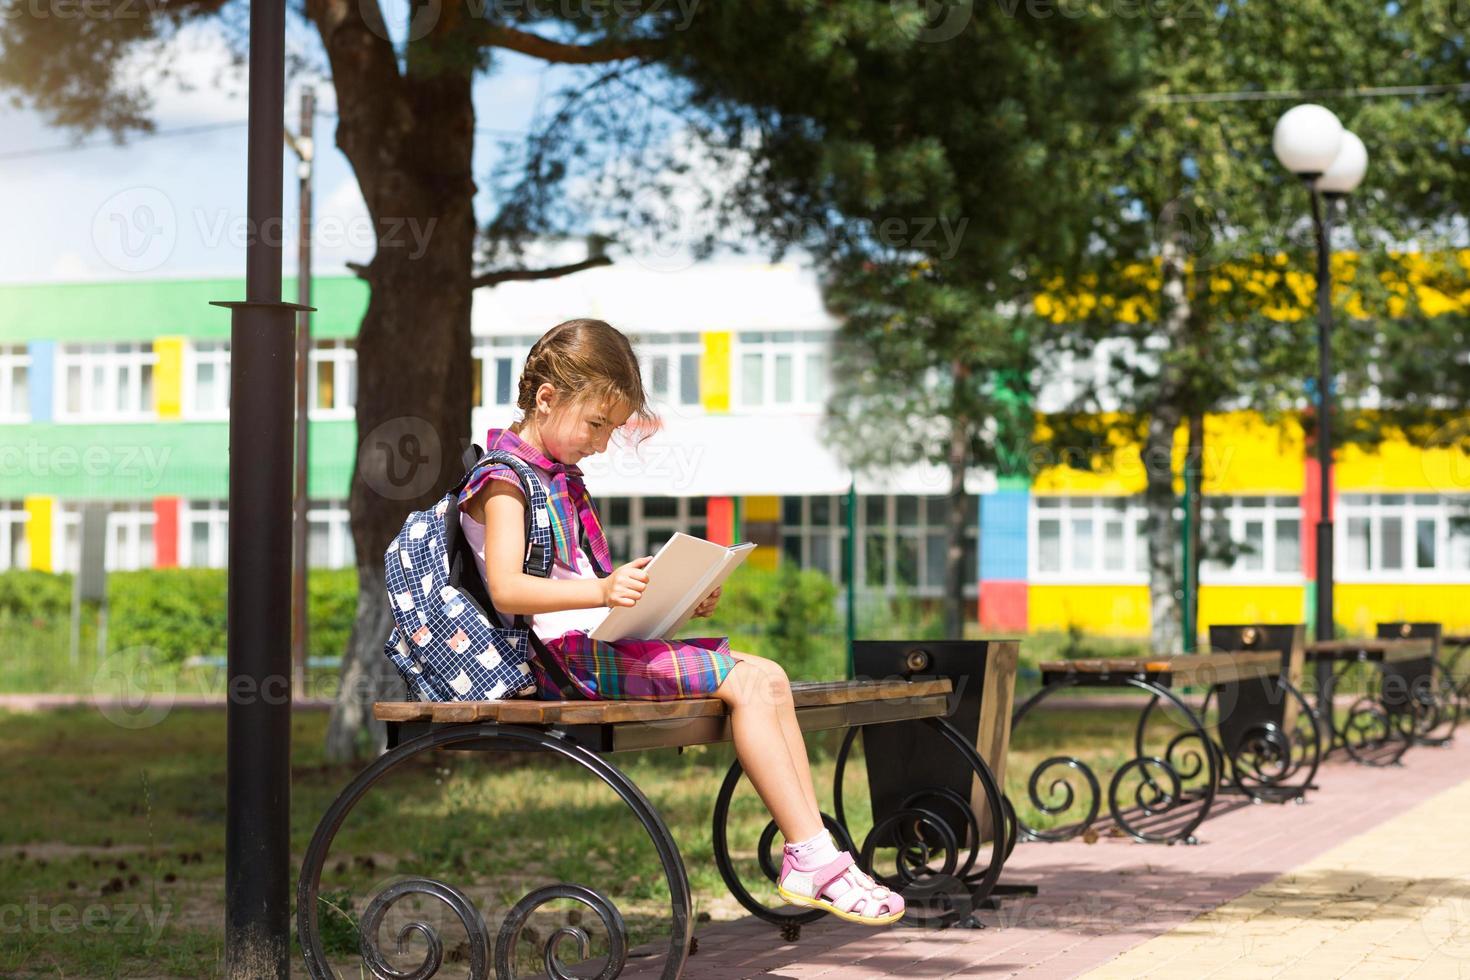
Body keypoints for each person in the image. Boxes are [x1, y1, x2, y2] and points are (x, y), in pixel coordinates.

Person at [458, 318, 904, 925]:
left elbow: (589, 596)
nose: (601, 442)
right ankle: (809, 856)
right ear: (546, 398)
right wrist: (606, 587)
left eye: (611, 431)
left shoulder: (557, 480)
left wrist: (673, 597)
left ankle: (819, 851)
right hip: (563, 662)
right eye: (596, 425)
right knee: (746, 682)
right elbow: (509, 589)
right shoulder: (504, 481)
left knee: (768, 674)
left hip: (590, 646)